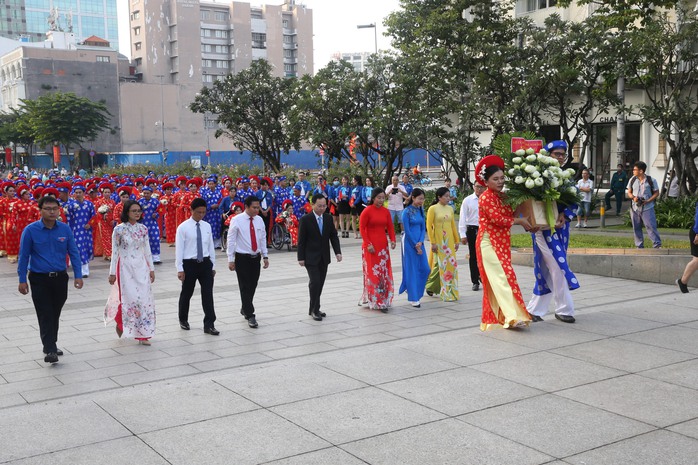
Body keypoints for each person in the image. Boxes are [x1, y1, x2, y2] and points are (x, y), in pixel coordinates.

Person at [17, 196, 83, 364]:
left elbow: (74, 252)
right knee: (45, 312)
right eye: (48, 208)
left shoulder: (65, 229)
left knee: (55, 313)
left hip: (60, 278)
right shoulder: (31, 230)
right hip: (39, 279)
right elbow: (23, 256)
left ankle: (50, 343)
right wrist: (21, 279)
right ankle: (51, 349)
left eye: (55, 208)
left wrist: (78, 275)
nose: (52, 211)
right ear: (40, 210)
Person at [475, 156, 535, 330]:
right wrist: (520, 221)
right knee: (502, 277)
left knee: (504, 278)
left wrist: (526, 204)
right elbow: (498, 219)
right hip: (489, 242)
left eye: (502, 178)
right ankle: (512, 316)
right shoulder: (485, 198)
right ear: (486, 181)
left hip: (501, 242)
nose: (500, 182)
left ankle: (502, 317)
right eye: (495, 179)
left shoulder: (503, 196)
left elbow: (512, 214)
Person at [527, 141, 580, 323]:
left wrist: (566, 215)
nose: (559, 157)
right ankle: (563, 308)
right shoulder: (536, 176)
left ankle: (536, 309)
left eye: (562, 155)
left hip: (561, 229)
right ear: (548, 155)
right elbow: (528, 202)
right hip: (543, 230)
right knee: (554, 266)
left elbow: (575, 200)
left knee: (551, 267)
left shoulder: (566, 178)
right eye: (556, 154)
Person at [105, 200, 156, 345]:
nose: (137, 213)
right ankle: (122, 323)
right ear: (126, 212)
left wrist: (151, 269)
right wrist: (112, 272)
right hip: (125, 268)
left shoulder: (143, 229)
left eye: (139, 210)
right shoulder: (119, 230)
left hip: (141, 268)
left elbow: (147, 250)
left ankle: (143, 334)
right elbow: (115, 252)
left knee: (144, 299)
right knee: (129, 298)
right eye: (134, 211)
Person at [175, 197, 219, 335]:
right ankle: (183, 319)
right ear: (191, 210)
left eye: (203, 212)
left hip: (205, 263)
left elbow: (210, 246)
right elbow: (179, 250)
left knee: (207, 294)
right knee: (187, 293)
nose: (201, 215)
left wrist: (212, 265)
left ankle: (209, 324)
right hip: (189, 264)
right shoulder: (183, 227)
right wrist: (180, 269)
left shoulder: (207, 226)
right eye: (198, 212)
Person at [297, 194, 342, 321]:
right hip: (310, 257)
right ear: (313, 205)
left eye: (324, 206)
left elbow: (333, 236)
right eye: (319, 206)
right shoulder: (306, 219)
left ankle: (313, 307)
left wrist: (337, 252)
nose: (322, 208)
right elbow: (301, 240)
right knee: (315, 282)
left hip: (324, 256)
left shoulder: (328, 218)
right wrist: (300, 257)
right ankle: (315, 310)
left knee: (320, 283)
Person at [227, 196, 269, 328]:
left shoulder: (259, 220)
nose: (257, 210)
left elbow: (262, 238)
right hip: (242, 257)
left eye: (258, 207)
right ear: (246, 206)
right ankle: (250, 314)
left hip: (255, 257)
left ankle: (245, 307)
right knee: (244, 286)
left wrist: (265, 256)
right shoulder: (236, 220)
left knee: (253, 284)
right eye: (254, 207)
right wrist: (230, 259)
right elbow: (231, 240)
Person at [359, 187, 396, 312]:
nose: (381, 200)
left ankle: (384, 298)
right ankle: (377, 300)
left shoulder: (386, 211)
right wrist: (368, 243)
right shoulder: (367, 211)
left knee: (383, 273)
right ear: (373, 198)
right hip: (371, 247)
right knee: (373, 273)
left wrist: (393, 240)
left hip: (383, 247)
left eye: (383, 198)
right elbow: (362, 228)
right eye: (378, 198)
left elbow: (390, 227)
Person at [425, 187, 460, 301]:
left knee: (451, 265)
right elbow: (429, 227)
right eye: (445, 196)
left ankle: (452, 290)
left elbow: (453, 225)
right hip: (439, 241)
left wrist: (456, 240)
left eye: (449, 196)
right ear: (439, 197)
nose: (448, 198)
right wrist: (433, 242)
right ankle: (444, 291)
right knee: (440, 265)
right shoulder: (433, 209)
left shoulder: (450, 208)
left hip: (449, 241)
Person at [399, 188, 430, 307]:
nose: (421, 201)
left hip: (419, 242)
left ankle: (413, 289)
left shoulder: (421, 210)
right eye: (419, 199)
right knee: (412, 269)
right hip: (409, 243)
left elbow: (423, 228)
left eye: (423, 199)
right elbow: (406, 230)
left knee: (425, 268)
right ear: (413, 198)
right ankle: (413, 297)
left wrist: (420, 242)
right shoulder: (406, 212)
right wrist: (414, 244)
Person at [626, 161, 662, 249]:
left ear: (641, 171)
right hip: (635, 207)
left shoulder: (651, 180)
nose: (633, 171)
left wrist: (648, 200)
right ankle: (639, 245)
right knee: (636, 227)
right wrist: (633, 198)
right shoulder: (632, 179)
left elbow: (656, 193)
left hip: (647, 207)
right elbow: (629, 192)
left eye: (635, 169)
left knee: (651, 226)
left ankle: (657, 245)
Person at [459, 184, 486, 291]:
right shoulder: (468, 200)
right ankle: (475, 281)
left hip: (485, 229)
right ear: (473, 187)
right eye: (477, 186)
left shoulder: (488, 199)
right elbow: (462, 217)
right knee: (473, 255)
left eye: (481, 187)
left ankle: (484, 277)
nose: (479, 189)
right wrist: (462, 234)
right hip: (472, 229)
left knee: (486, 255)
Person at [676, 199, 698, 293]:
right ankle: (683, 282)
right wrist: (697, 233)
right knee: (697, 260)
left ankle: (683, 282)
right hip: (696, 233)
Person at [138, 186, 162, 264]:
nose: (146, 195)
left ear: (151, 193)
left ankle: (156, 257)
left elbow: (160, 210)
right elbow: (136, 211)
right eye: (144, 193)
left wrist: (156, 214)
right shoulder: (140, 202)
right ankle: (144, 257)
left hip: (153, 223)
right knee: (143, 240)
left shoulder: (155, 201)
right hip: (143, 223)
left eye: (148, 193)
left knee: (155, 239)